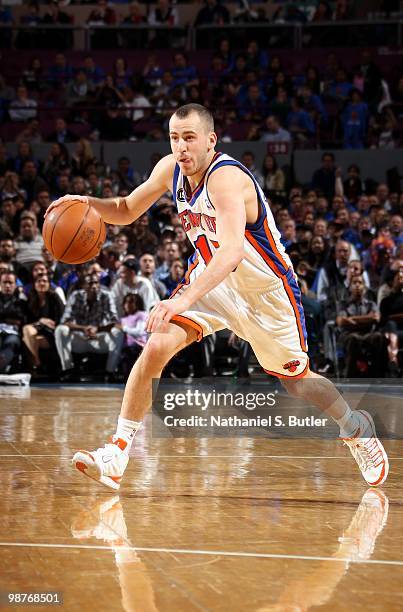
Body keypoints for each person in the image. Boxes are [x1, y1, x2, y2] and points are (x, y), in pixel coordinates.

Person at [47, 103, 389, 490]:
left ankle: (355, 426)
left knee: (297, 382)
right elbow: (125, 209)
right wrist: (84, 203)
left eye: (189, 138)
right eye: (175, 138)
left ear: (211, 140)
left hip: (266, 291)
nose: (181, 147)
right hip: (214, 282)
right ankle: (117, 453)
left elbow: (232, 251)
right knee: (157, 344)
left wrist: (180, 299)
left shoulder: (224, 178)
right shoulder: (170, 169)